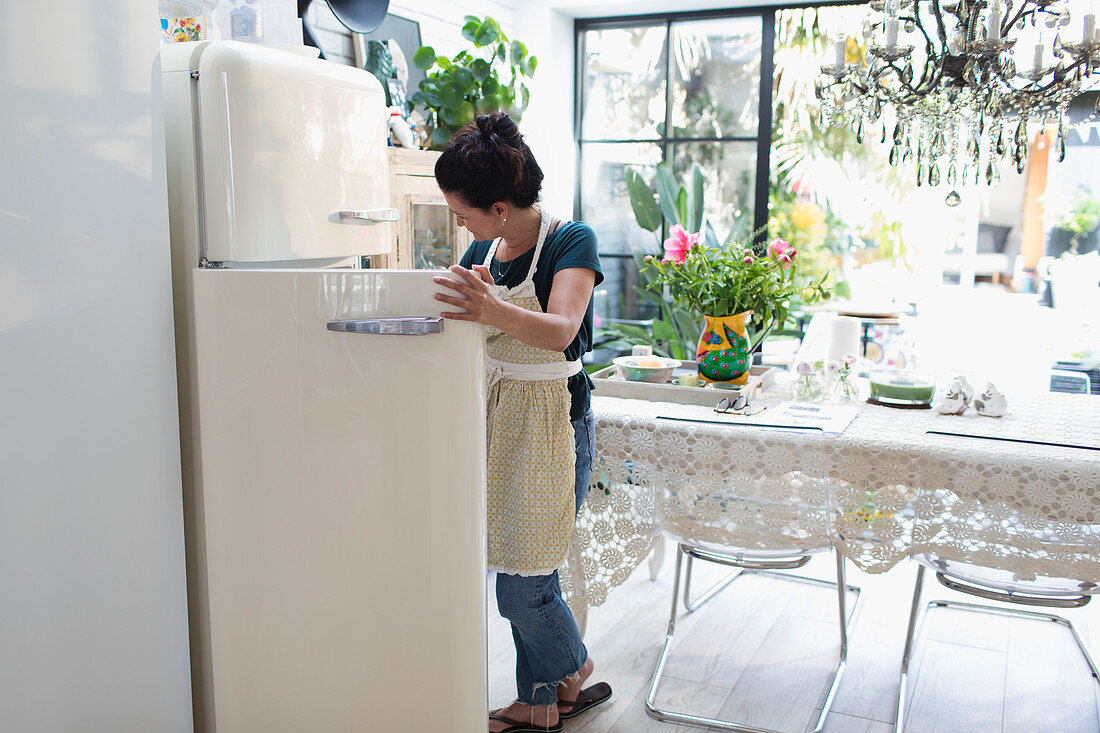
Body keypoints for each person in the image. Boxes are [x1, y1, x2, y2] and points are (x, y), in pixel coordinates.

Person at [432, 112, 612, 733]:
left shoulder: (571, 240)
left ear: (501, 206)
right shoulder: (486, 248)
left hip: (554, 422)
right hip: (501, 419)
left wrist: (489, 306)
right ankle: (539, 702)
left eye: (463, 213)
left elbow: (563, 332)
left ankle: (574, 666)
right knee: (515, 559)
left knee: (523, 580)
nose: (460, 225)